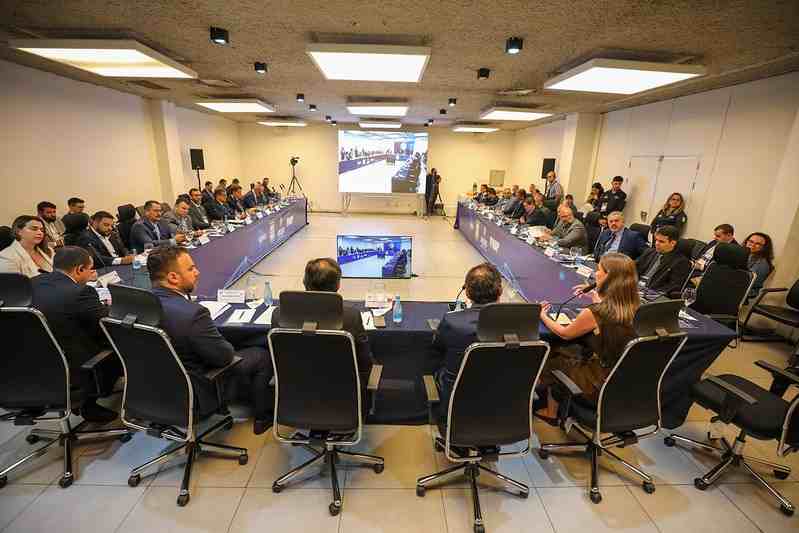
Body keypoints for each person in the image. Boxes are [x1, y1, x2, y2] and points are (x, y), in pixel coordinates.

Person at [147, 245, 273, 434]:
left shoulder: (137, 303)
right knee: (261, 354)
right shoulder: (194, 314)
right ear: (173, 277)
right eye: (190, 269)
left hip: (151, 389)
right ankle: (262, 417)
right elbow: (224, 357)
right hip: (196, 393)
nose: (197, 272)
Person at [537, 253, 640, 411]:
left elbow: (565, 333)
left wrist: (543, 315)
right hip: (620, 377)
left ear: (609, 278)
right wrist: (596, 296)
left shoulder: (596, 312)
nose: (595, 274)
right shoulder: (634, 305)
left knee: (550, 357)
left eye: (599, 270)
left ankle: (550, 412)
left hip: (595, 381)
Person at [30, 246, 121, 423]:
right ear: (79, 269)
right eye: (90, 269)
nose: (91, 274)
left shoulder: (32, 283)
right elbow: (107, 325)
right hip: (74, 367)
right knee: (122, 340)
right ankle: (91, 401)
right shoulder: (81, 292)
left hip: (31, 364)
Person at [272, 258, 375, 388]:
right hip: (343, 392)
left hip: (296, 393)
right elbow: (365, 362)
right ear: (338, 285)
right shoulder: (351, 317)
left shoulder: (279, 315)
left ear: (304, 282)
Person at [432, 262, 502, 412]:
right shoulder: (520, 324)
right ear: (500, 291)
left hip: (457, 400)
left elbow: (437, 347)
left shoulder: (452, 321)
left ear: (467, 293)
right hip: (503, 399)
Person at [635, 225, 691, 298]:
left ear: (672, 243)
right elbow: (634, 268)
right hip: (635, 287)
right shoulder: (649, 252)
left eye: (661, 241)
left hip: (650, 294)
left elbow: (673, 286)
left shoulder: (681, 262)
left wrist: (648, 294)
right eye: (656, 240)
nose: (657, 243)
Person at [743, 232, 774, 299]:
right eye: (751, 241)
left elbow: (747, 280)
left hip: (748, 291)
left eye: (758, 244)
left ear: (764, 247)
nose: (753, 245)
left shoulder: (763, 263)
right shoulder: (744, 254)